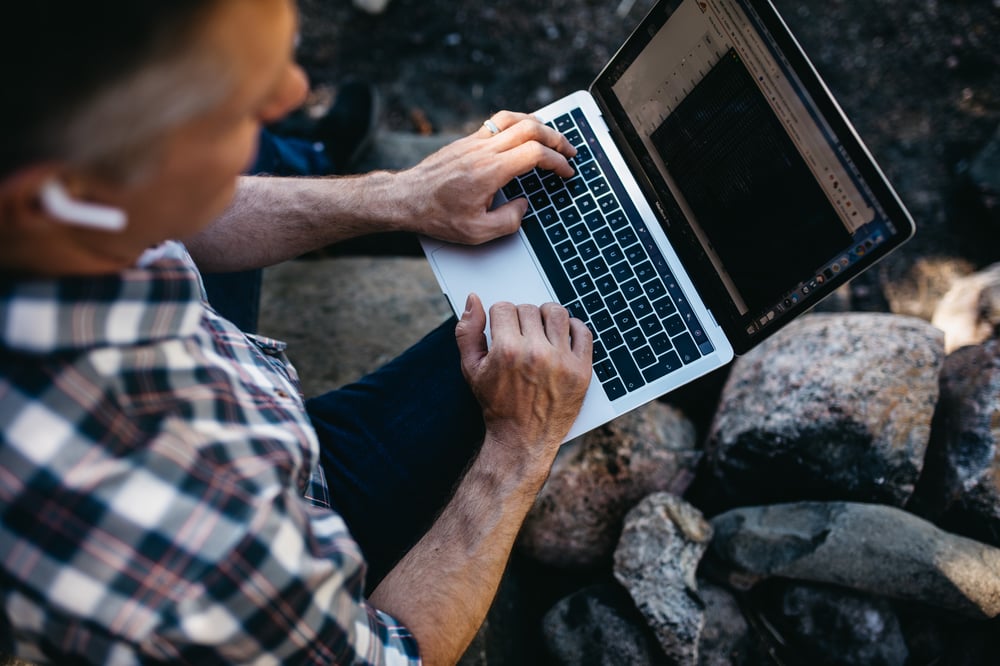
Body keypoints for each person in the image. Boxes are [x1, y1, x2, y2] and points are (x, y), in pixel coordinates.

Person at [0, 1, 592, 665]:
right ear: (60, 198)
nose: (296, 90)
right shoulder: (178, 546)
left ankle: (293, 149)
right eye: (235, 104)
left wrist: (401, 197)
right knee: (573, 330)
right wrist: (518, 448)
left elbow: (171, 228)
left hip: (231, 386)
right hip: (285, 509)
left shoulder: (57, 210)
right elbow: (390, 657)